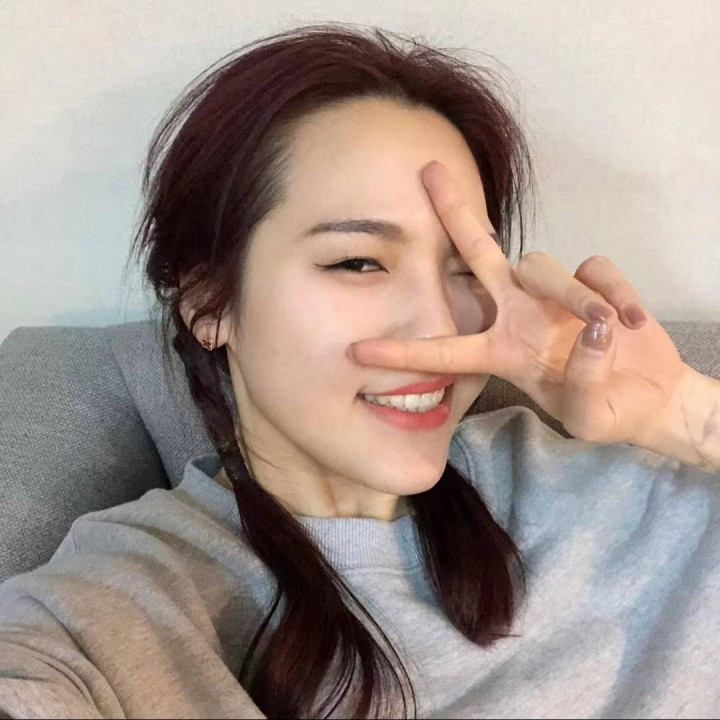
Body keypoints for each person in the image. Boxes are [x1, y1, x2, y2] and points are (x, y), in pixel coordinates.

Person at [1, 21, 719, 720]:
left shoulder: (599, 487)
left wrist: (687, 415)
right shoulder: (121, 602)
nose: (439, 324)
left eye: (465, 266)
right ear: (208, 302)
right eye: (358, 262)